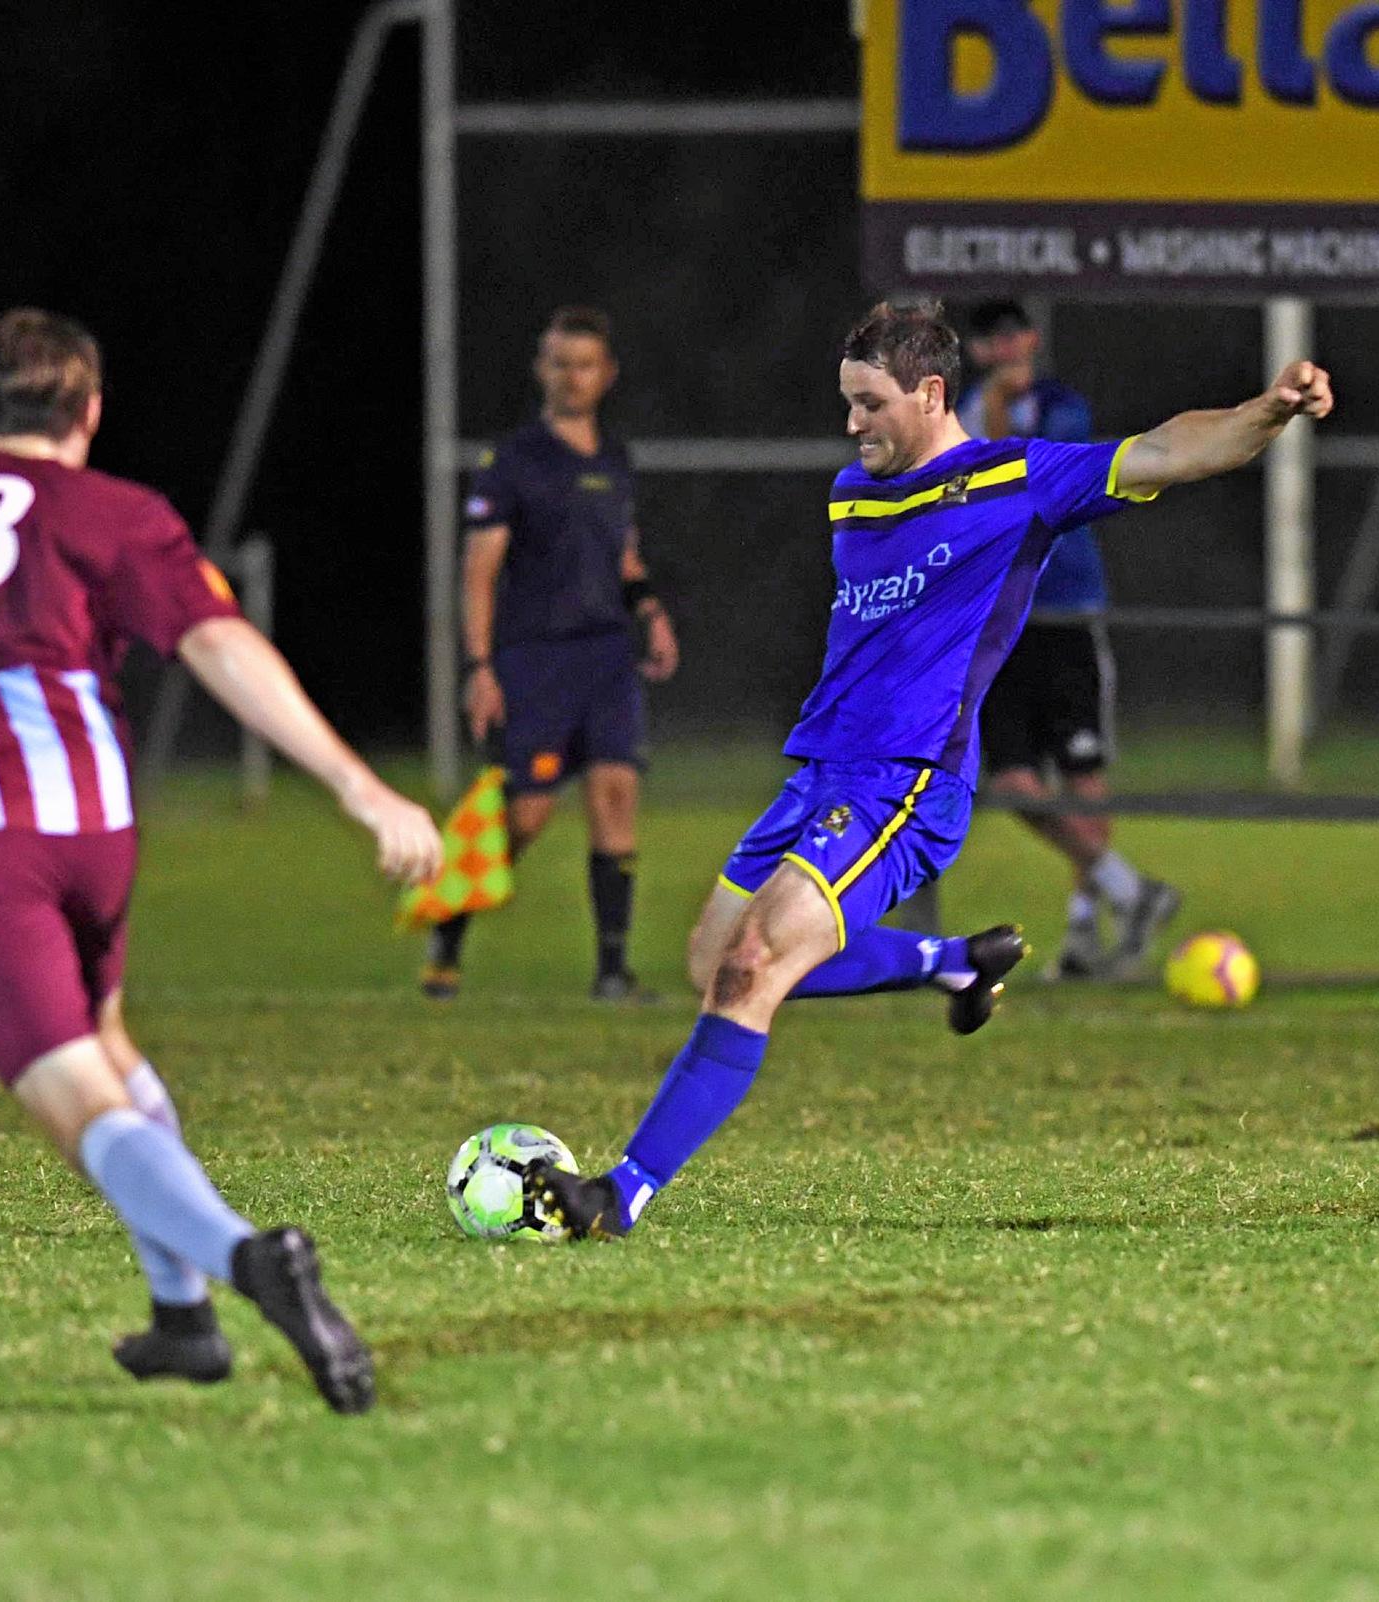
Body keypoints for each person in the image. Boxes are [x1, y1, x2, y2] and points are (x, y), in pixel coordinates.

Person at [0, 308, 442, 1412]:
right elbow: (219, 644)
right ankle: (183, 1317)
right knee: (102, 1046)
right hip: (96, 824)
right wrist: (359, 786)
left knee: (69, 1097)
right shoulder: (117, 510)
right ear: (90, 414)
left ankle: (250, 1262)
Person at [529, 301, 1334, 1240]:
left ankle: (619, 1195)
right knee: (712, 961)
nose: (852, 424)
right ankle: (953, 965)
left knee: (752, 966)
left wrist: (1267, 411)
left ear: (931, 394)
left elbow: (1166, 449)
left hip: (906, 783)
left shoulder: (1016, 482)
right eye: (847, 402)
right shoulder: (853, 494)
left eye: (869, 403)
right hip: (819, 774)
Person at [425, 306, 679, 1003]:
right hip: (534, 658)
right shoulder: (513, 462)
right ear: (542, 370)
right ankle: (450, 925)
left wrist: (649, 610)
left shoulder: (615, 458)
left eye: (586, 364)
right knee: (526, 815)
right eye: (560, 363)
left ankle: (612, 972)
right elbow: (479, 572)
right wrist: (479, 668)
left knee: (616, 792)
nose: (573, 377)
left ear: (607, 375)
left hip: (605, 657)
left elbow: (623, 554)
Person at [960, 300, 1178, 978]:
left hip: (1066, 612)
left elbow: (1031, 477)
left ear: (1030, 339)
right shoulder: (960, 408)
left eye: (1012, 336)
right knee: (1016, 781)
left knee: (1083, 775)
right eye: (989, 341)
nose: (1004, 350)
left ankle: (1086, 932)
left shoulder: (1064, 407)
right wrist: (992, 402)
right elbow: (981, 476)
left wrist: (1004, 410)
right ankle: (1128, 890)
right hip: (1000, 621)